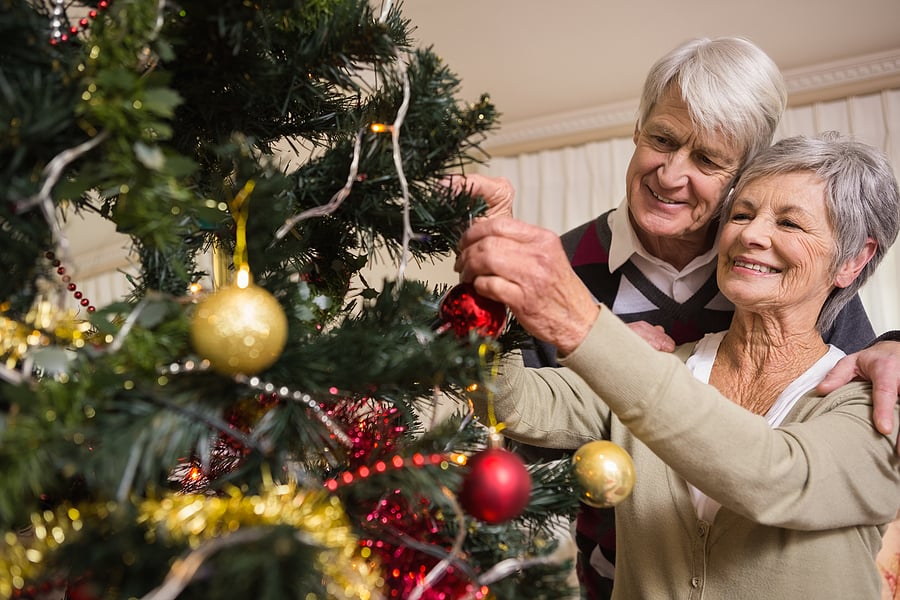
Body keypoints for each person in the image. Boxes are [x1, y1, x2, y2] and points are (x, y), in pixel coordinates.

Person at [448, 36, 900, 598]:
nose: (670, 175)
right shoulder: (557, 267)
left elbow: (823, 440)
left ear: (741, 171)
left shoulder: (776, 275)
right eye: (661, 139)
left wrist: (899, 342)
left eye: (709, 159)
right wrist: (485, 280)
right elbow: (511, 414)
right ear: (638, 129)